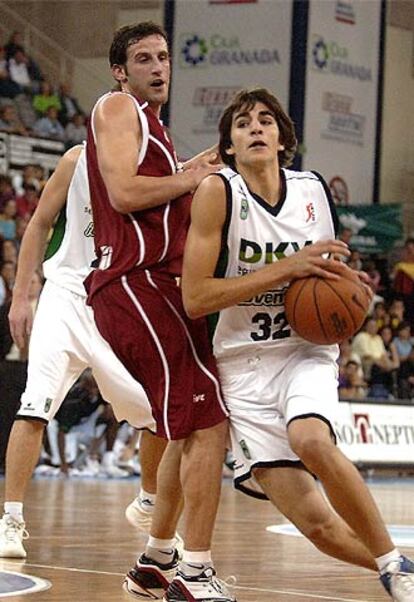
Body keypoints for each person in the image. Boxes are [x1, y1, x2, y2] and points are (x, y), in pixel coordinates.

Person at [181, 87, 414, 601]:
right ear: (229, 145)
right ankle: (397, 564)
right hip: (240, 365)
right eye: (242, 124)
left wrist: (347, 293)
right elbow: (196, 297)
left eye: (266, 120)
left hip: (303, 351)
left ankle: (396, 567)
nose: (255, 128)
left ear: (283, 138)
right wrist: (285, 268)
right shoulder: (219, 193)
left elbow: (327, 278)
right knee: (318, 527)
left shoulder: (311, 190)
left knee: (312, 440)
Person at [85, 21, 232, 602]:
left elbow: (157, 194)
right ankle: (194, 575)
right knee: (209, 426)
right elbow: (122, 193)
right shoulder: (119, 106)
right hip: (135, 283)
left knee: (185, 430)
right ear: (121, 71)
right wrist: (192, 177)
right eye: (143, 58)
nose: (158, 66)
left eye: (164, 57)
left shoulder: (157, 131)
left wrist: (190, 171)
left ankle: (155, 562)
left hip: (151, 287)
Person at [0, 143, 165, 559]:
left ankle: (147, 502)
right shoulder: (77, 160)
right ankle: (11, 519)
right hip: (64, 296)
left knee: (156, 414)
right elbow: (38, 223)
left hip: (115, 302)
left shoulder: (155, 165)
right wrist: (22, 294)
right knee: (34, 405)